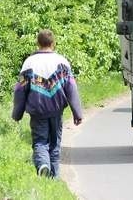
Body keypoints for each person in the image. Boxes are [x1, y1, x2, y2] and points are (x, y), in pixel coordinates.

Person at [12, 29, 83, 178]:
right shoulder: (62, 61)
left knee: (40, 142)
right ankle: (54, 178)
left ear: (38, 43)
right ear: (53, 43)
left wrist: (17, 114)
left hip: (37, 112)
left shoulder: (29, 63)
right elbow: (71, 88)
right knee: (55, 146)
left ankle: (43, 164)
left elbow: (20, 90)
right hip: (56, 111)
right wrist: (77, 113)